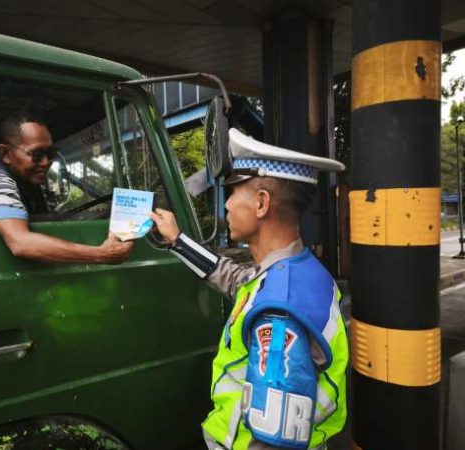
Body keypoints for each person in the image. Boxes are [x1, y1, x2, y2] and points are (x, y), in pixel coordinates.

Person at [148, 129, 348, 450]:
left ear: (261, 203)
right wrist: (177, 241)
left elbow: (272, 440)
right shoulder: (296, 271)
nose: (227, 204)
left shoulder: (279, 312)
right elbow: (236, 280)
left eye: (233, 191)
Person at [0, 113, 133, 263]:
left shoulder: (23, 179)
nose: (45, 162)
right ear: (6, 153)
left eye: (50, 153)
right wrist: (102, 254)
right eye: (36, 154)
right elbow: (20, 242)